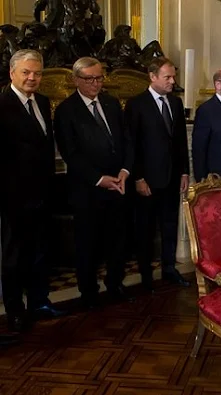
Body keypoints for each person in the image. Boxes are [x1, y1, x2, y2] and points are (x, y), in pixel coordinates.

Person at [54, 56, 134, 309]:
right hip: (87, 190)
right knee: (87, 244)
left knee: (117, 240)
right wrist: (99, 179)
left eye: (99, 78)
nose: (95, 84)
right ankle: (88, 291)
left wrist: (124, 171)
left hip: (118, 185)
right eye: (89, 79)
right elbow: (71, 153)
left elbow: (126, 141)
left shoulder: (111, 103)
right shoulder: (66, 110)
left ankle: (115, 284)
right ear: (77, 80)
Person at [0, 49, 66, 334]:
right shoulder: (1, 103)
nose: (32, 78)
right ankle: (14, 310)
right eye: (26, 72)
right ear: (12, 73)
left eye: (37, 73)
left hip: (42, 193)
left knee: (39, 252)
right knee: (13, 256)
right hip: (12, 197)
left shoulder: (42, 100)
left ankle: (39, 301)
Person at [124, 57, 190, 292]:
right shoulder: (136, 104)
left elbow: (181, 142)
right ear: (152, 77)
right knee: (145, 230)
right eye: (168, 77)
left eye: (173, 77)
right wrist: (138, 178)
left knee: (170, 226)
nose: (173, 81)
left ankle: (169, 269)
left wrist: (184, 172)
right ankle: (145, 276)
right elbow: (132, 145)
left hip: (173, 178)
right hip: (148, 181)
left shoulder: (175, 103)